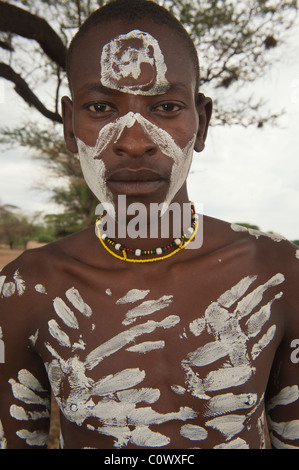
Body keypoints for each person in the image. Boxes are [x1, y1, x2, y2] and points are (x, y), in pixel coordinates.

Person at [0, 0, 298, 450]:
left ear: (202, 124)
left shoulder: (278, 275)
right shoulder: (27, 290)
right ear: (68, 125)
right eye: (101, 107)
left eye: (165, 106)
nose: (134, 142)